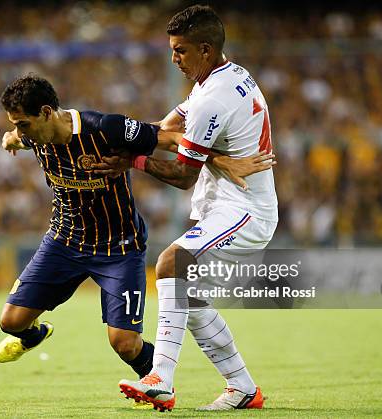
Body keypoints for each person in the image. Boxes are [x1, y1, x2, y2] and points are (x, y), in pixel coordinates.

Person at [0, 75, 274, 396]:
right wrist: (9, 139)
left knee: (124, 344)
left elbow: (169, 138)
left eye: (23, 124)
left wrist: (222, 160)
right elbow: (14, 138)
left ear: (46, 112)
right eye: (17, 124)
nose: (21, 131)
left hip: (119, 248)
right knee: (10, 322)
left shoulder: (105, 128)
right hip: (64, 242)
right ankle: (34, 335)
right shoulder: (32, 135)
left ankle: (157, 384)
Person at [104, 5, 278, 412]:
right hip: (233, 205)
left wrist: (133, 160)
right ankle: (244, 389)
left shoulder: (211, 99)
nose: (174, 58)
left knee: (169, 263)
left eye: (180, 50)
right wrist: (150, 144)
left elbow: (184, 176)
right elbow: (167, 128)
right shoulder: (224, 75)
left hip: (244, 210)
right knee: (192, 301)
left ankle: (160, 377)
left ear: (204, 49)